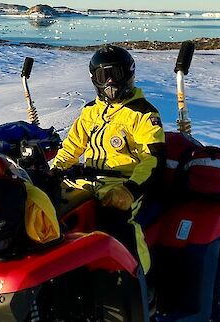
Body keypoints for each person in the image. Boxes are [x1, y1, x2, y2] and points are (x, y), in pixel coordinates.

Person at [50, 45, 165, 273]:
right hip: (86, 181)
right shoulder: (90, 111)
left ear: (129, 75)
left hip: (122, 183)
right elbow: (71, 146)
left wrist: (130, 189)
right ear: (95, 79)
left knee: (117, 224)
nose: (111, 82)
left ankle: (139, 280)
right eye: (105, 76)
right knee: (49, 211)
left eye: (117, 74)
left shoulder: (143, 113)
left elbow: (152, 159)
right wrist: (55, 171)